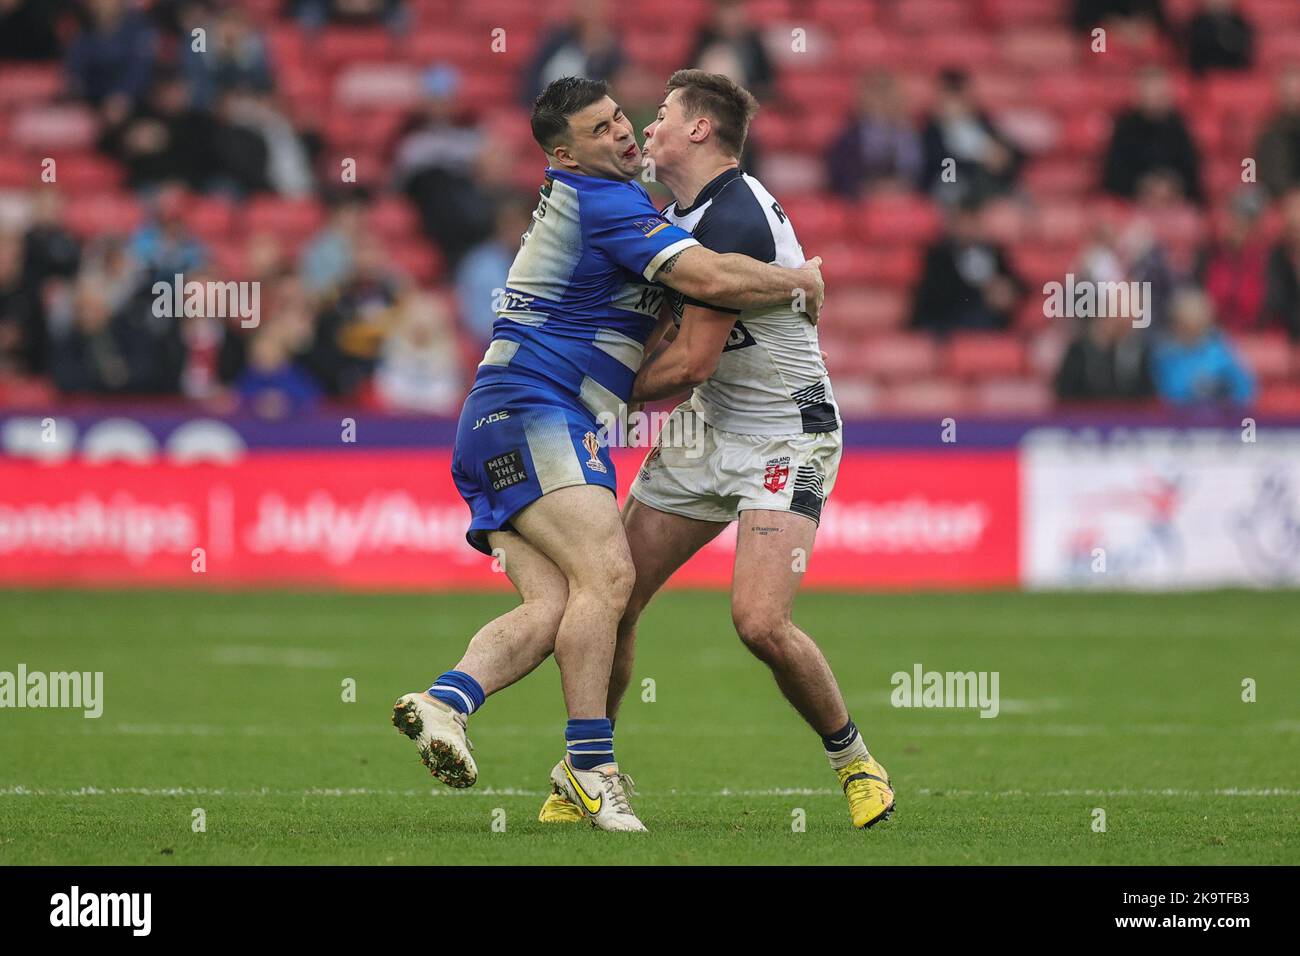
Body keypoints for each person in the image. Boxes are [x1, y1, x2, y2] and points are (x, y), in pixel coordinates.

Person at [391, 76, 824, 833]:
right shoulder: (606, 203)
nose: (624, 133)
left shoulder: (612, 204)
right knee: (611, 575)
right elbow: (712, 277)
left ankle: (445, 701)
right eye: (602, 130)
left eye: (623, 117)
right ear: (566, 154)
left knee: (555, 605)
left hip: (498, 419)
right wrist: (801, 278)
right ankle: (592, 770)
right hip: (537, 411)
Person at [536, 70, 894, 831]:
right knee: (614, 594)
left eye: (660, 114)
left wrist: (596, 388)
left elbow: (693, 358)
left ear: (699, 129)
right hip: (710, 426)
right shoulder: (676, 213)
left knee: (759, 622)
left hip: (787, 432)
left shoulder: (733, 216)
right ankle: (587, 770)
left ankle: (854, 761)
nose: (644, 127)